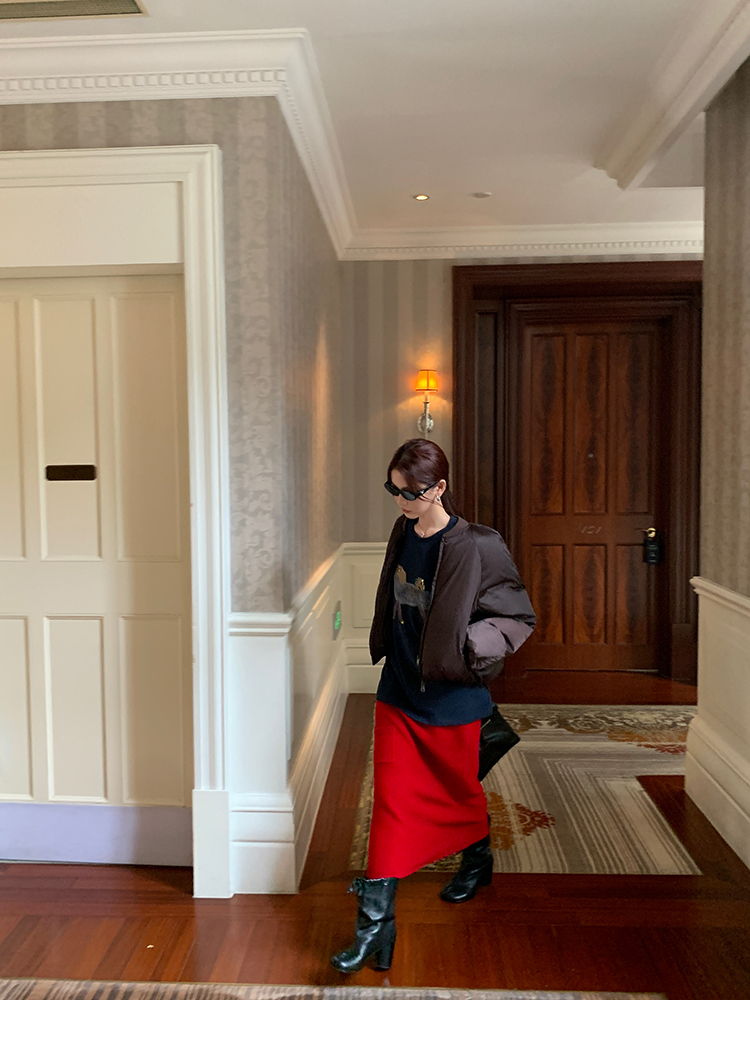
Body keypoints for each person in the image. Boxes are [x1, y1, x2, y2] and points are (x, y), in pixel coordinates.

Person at [330, 438, 536, 974]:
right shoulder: (403, 532)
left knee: (456, 792)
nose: (401, 501)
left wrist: (467, 647)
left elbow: (517, 617)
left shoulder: (479, 544)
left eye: (411, 493)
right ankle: (374, 926)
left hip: (450, 696)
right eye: (394, 490)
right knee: (391, 803)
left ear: (439, 488)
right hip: (398, 691)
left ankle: (477, 859)